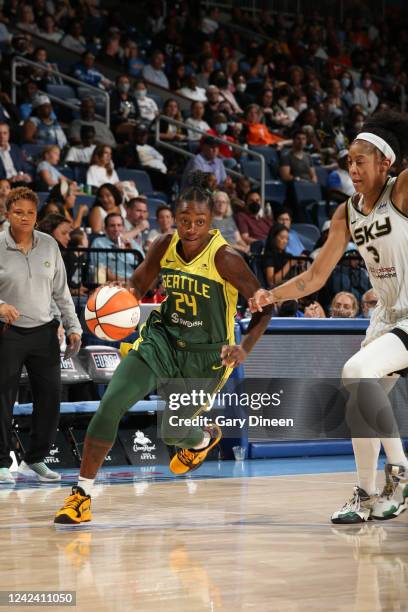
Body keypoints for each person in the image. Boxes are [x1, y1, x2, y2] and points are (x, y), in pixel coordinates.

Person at [54, 182, 273, 524]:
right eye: (184, 219)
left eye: (199, 221)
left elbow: (265, 307)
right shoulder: (164, 245)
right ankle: (81, 495)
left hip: (207, 355)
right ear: (173, 217)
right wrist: (118, 294)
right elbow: (139, 285)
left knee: (172, 432)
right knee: (110, 405)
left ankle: (202, 438)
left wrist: (244, 347)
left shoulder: (226, 259)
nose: (190, 228)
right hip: (162, 339)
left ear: (211, 220)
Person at [250, 111, 408, 524]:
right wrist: (272, 294)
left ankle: (401, 471)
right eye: (349, 162)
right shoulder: (346, 213)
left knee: (357, 371)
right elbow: (316, 277)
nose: (352, 169)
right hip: (385, 317)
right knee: (361, 400)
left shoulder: (402, 191)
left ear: (386, 164)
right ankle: (368, 494)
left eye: (361, 161)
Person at [0, 187, 82, 484]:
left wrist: (73, 327)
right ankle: (0, 462)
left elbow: (61, 291)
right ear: (7, 213)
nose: (25, 217)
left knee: (50, 398)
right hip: (7, 333)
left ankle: (34, 459)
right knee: (3, 398)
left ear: (37, 216)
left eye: (30, 212)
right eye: (18, 211)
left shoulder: (49, 245)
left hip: (45, 332)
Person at [90, 213, 143, 284]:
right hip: (112, 285)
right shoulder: (99, 242)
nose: (116, 229)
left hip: (135, 284)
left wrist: (132, 251)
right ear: (105, 229)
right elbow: (102, 271)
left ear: (123, 228)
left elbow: (144, 264)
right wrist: (126, 282)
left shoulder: (131, 243)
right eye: (112, 226)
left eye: (119, 225)